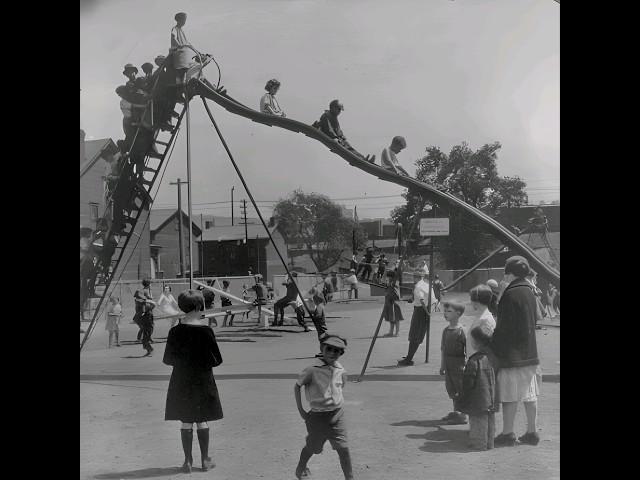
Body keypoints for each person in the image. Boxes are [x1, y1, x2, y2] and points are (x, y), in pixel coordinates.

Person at [163, 289, 223, 473]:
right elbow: (217, 360)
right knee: (202, 420)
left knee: (186, 421)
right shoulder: (206, 331)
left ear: (181, 307)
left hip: (181, 381)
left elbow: (167, 359)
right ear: (199, 307)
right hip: (203, 380)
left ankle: (187, 461)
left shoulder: (175, 332)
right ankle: (205, 460)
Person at [491, 256, 541, 447]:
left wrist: (494, 344)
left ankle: (508, 432)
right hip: (530, 351)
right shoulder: (530, 290)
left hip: (512, 353)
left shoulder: (510, 294)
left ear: (509, 274)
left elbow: (503, 326)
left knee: (510, 394)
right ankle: (532, 431)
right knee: (529, 393)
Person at [294, 335, 353, 480]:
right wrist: (301, 410)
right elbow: (297, 386)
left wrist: (336, 402)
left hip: (337, 415)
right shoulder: (312, 370)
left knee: (343, 448)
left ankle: (350, 477)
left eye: (337, 351)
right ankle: (300, 467)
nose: (332, 353)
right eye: (329, 349)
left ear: (341, 354)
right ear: (322, 349)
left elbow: (341, 386)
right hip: (317, 417)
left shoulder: (340, 369)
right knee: (314, 447)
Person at [457, 324, 498, 450]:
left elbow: (468, 382)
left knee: (477, 421)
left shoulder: (474, 361)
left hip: (478, 398)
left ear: (476, 342)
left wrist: (463, 396)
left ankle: (478, 444)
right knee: (490, 421)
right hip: (492, 396)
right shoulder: (493, 357)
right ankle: (490, 442)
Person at [398, 271, 437, 366]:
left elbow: (422, 300)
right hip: (427, 308)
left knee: (414, 334)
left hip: (421, 311)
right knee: (418, 334)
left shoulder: (418, 287)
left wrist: (427, 312)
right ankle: (409, 356)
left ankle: (409, 359)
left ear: (415, 278)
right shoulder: (426, 284)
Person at [439, 301, 467, 425]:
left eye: (449, 311)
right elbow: (443, 349)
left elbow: (468, 350)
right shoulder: (445, 331)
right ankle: (457, 412)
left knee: (460, 388)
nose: (445, 314)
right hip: (448, 363)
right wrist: (442, 365)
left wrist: (466, 365)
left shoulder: (462, 331)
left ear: (458, 313)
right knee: (451, 388)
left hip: (459, 364)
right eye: (445, 311)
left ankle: (463, 415)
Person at [467, 285, 496, 358]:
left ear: (476, 302)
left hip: (480, 363)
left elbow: (483, 347)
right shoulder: (481, 317)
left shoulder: (485, 320)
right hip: (474, 359)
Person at [170, 12, 198, 86]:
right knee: (182, 71)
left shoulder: (182, 31)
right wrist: (179, 45)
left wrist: (197, 51)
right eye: (183, 20)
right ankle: (180, 86)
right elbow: (174, 37)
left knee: (192, 66)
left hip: (184, 53)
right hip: (178, 54)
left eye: (185, 20)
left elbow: (188, 43)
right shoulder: (175, 29)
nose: (184, 22)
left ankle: (188, 83)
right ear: (179, 20)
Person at [133, 279, 155, 355]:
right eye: (150, 284)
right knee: (147, 330)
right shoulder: (143, 292)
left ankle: (148, 347)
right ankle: (149, 348)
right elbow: (144, 302)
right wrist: (148, 301)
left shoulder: (146, 291)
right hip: (146, 315)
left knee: (148, 330)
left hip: (146, 314)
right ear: (149, 284)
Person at [382, 271, 403, 337]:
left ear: (391, 277)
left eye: (388, 277)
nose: (387, 278)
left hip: (394, 303)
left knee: (396, 318)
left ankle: (397, 332)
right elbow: (383, 281)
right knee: (391, 318)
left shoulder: (395, 283)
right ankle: (391, 332)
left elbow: (397, 294)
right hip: (389, 303)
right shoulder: (389, 283)